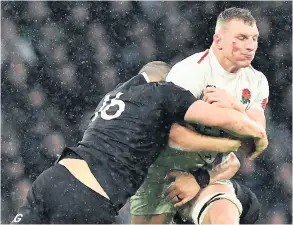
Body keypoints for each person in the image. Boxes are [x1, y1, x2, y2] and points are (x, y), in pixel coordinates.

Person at [11, 61, 266, 224]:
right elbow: (223, 123)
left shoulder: (113, 96)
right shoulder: (165, 94)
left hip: (52, 179)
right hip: (89, 199)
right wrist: (251, 134)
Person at [130, 7, 269, 225]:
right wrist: (227, 143)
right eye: (241, 38)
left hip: (209, 178)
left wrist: (233, 107)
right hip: (162, 177)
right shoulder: (189, 73)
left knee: (224, 213)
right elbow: (170, 136)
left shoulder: (256, 81)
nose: (250, 46)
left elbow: (255, 143)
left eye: (254, 38)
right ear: (218, 40)